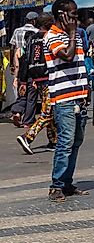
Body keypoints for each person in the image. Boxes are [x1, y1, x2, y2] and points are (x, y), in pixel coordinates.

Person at [44, 0, 90, 202]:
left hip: (78, 97)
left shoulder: (75, 36)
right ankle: (56, 185)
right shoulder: (52, 36)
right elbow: (67, 56)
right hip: (63, 98)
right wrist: (72, 33)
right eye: (72, 15)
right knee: (65, 141)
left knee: (76, 141)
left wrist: (85, 90)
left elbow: (80, 63)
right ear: (61, 14)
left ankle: (67, 182)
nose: (76, 19)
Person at [15, 13, 56, 155]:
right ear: (49, 24)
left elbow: (25, 60)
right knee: (48, 112)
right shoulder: (49, 36)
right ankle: (28, 137)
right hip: (48, 77)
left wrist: (24, 80)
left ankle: (53, 141)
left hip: (36, 78)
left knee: (49, 109)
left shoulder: (31, 38)